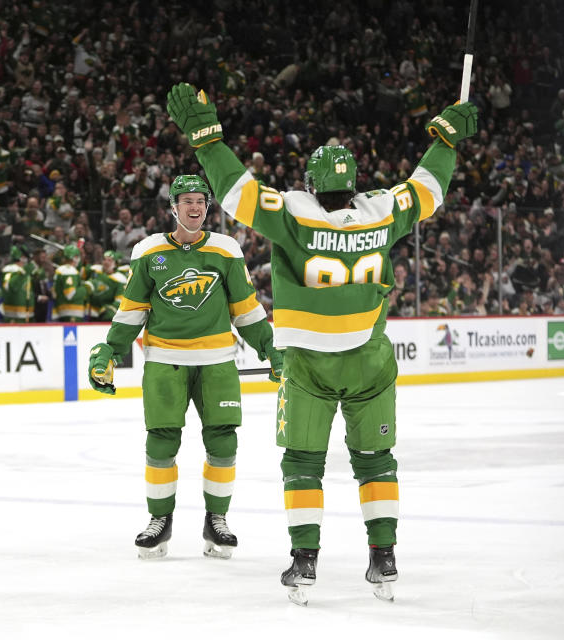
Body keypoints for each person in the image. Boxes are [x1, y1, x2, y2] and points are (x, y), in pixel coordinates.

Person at [165, 82, 478, 603]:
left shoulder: (295, 212)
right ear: (355, 182)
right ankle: (384, 558)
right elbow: (427, 187)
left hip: (308, 364)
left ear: (311, 182)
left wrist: (205, 137)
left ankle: (304, 562)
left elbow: (235, 190)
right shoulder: (382, 211)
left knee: (303, 464)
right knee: (377, 460)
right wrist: (445, 141)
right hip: (371, 361)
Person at [87, 174, 282, 560]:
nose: (195, 207)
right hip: (164, 362)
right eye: (187, 201)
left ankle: (217, 520)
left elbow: (246, 311)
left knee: (223, 442)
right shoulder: (148, 251)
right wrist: (111, 349)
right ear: (173, 207)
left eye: (201, 201)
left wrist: (270, 350)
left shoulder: (226, 250)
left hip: (217, 363)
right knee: (161, 441)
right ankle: (160, 520)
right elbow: (132, 311)